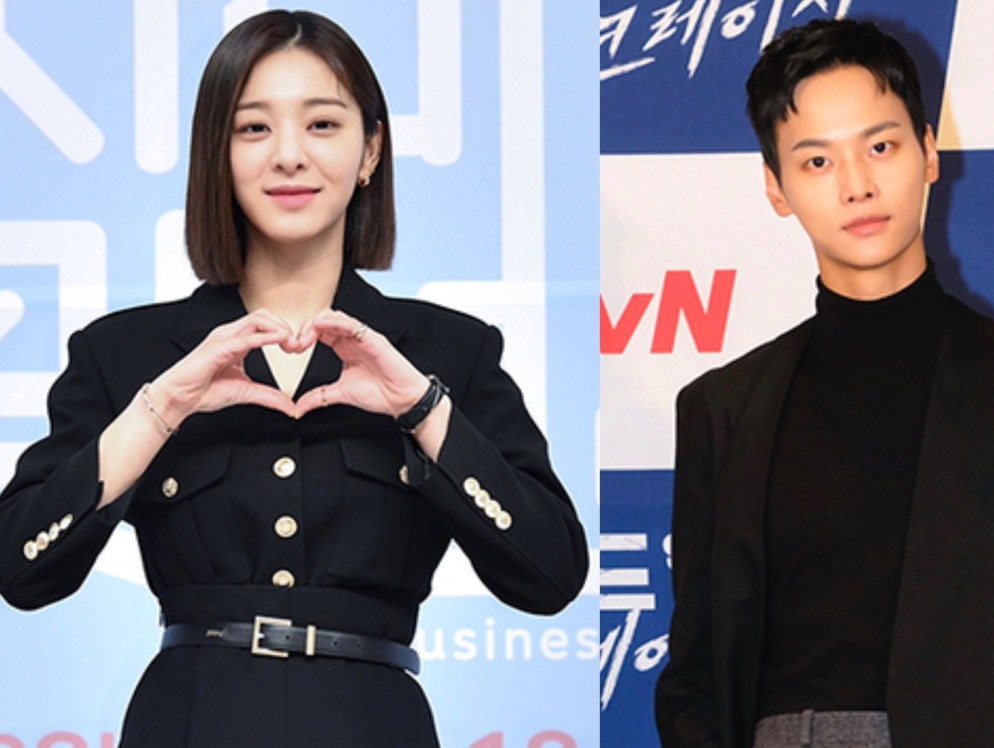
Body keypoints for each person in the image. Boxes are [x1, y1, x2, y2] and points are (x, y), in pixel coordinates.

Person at [0, 10, 588, 747]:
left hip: (372, 724)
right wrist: (159, 410)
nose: (288, 156)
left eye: (322, 125)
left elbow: (551, 575)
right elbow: (20, 569)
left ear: (371, 150)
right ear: (217, 153)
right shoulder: (127, 352)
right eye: (253, 128)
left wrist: (423, 409)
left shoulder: (449, 351)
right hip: (190, 721)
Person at [654, 18, 994, 748]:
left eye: (881, 147)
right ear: (776, 188)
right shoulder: (724, 409)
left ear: (929, 153)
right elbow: (699, 673)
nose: (857, 185)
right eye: (817, 162)